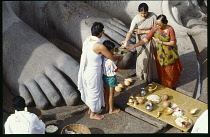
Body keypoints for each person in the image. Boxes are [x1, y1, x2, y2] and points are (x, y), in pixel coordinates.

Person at [78, 22, 121, 120]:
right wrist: (120, 55)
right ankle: (93, 114)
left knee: (90, 90)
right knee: (95, 92)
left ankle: (90, 109)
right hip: (93, 72)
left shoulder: (88, 40)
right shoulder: (99, 46)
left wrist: (121, 50)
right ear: (101, 32)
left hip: (86, 70)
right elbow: (111, 56)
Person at [126, 14, 183, 89]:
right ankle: (164, 84)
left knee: (170, 71)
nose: (157, 26)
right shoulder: (155, 28)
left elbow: (173, 43)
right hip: (160, 54)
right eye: (156, 23)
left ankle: (171, 86)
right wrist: (134, 45)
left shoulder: (170, 29)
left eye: (159, 24)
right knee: (162, 70)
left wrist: (160, 42)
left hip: (170, 54)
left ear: (164, 23)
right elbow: (145, 39)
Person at [121, 3, 158, 83]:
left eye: (145, 13)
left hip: (150, 39)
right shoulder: (136, 19)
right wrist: (126, 41)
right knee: (141, 58)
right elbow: (130, 31)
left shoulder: (153, 16)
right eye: (141, 13)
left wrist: (143, 31)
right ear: (138, 12)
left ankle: (150, 77)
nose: (143, 15)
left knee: (149, 57)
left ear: (148, 12)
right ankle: (141, 75)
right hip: (140, 40)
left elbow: (156, 29)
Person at [102, 40, 122, 114]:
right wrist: (119, 60)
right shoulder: (112, 61)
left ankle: (107, 107)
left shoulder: (103, 57)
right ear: (109, 51)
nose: (114, 51)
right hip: (111, 78)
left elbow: (120, 51)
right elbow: (116, 69)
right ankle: (111, 109)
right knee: (111, 95)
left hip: (104, 77)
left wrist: (122, 48)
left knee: (106, 93)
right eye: (112, 50)